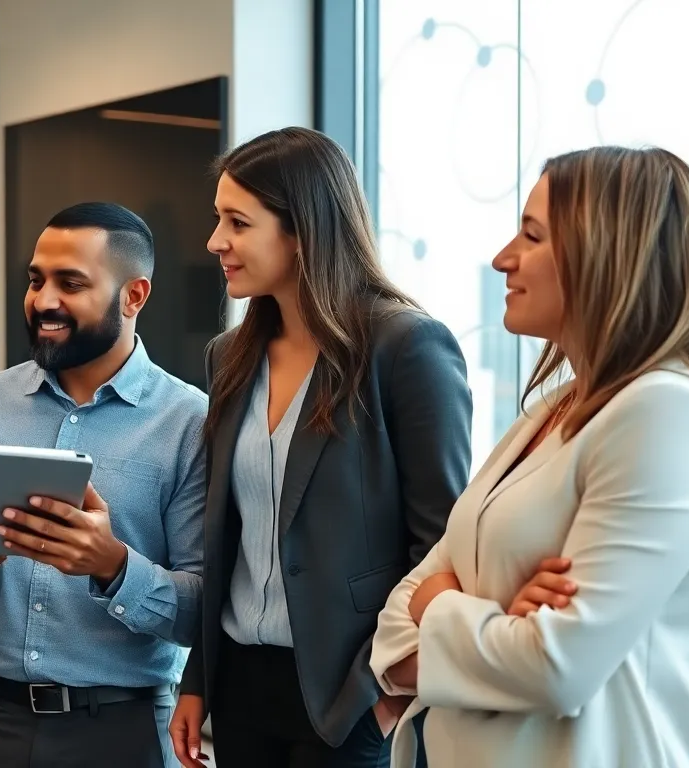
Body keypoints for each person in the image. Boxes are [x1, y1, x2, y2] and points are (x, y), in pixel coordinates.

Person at [370, 146, 689, 768]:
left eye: (531, 235)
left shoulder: (669, 413)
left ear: (610, 255)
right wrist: (495, 615)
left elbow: (554, 667)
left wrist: (441, 603)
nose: (502, 258)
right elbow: (392, 635)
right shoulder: (555, 407)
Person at [169, 126, 472, 768]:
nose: (214, 241)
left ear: (302, 231)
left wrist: (382, 691)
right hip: (242, 685)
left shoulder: (405, 347)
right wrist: (197, 677)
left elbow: (444, 543)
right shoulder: (229, 356)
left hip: (350, 690)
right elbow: (224, 541)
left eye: (237, 222)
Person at [0, 202, 208, 768]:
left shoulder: (190, 422)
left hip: (122, 737)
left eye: (70, 283)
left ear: (134, 295)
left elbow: (203, 609)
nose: (44, 300)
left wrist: (112, 565)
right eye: (35, 279)